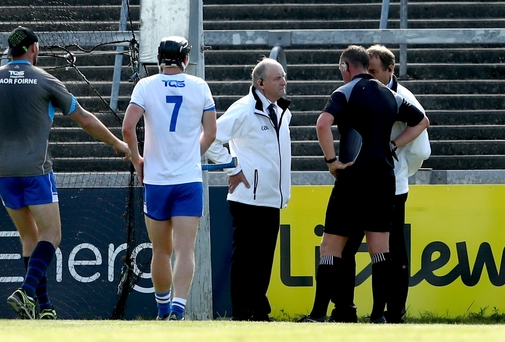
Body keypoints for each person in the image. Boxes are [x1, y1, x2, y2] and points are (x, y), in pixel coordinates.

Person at [0, 26, 131, 320]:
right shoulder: (45, 80)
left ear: (11, 50)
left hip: (4, 172)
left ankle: (44, 307)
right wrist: (118, 143)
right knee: (52, 234)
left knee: (29, 238)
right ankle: (27, 290)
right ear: (33, 48)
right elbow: (84, 118)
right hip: (35, 170)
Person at [300, 45, 428, 323]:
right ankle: (377, 317)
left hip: (352, 177)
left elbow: (322, 124)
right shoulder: (391, 95)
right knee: (380, 248)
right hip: (384, 179)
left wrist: (331, 160)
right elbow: (422, 121)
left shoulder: (343, 93)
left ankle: (319, 313)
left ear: (346, 67)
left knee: (331, 247)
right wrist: (393, 144)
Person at [121, 36, 217, 320]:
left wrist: (138, 160)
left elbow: (128, 128)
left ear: (159, 58)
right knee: (186, 250)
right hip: (188, 180)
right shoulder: (199, 86)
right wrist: (190, 154)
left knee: (161, 251)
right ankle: (178, 308)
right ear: (185, 59)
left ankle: (163, 311)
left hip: (157, 180)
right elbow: (210, 133)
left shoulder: (146, 86)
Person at [204, 58, 291, 322]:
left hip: (271, 198)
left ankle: (259, 312)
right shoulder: (243, 109)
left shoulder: (282, 110)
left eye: (284, 76)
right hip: (248, 197)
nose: (283, 82)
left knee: (263, 260)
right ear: (260, 83)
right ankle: (243, 313)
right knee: (246, 260)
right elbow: (210, 139)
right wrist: (233, 169)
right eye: (278, 78)